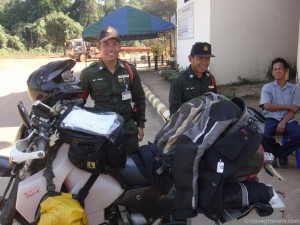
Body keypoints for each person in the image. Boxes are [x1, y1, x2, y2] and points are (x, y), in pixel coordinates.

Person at [79, 26, 146, 154]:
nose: (111, 48)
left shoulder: (129, 70)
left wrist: (140, 124)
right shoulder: (89, 73)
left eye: (115, 44)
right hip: (103, 130)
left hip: (127, 128)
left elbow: (140, 98)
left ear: (120, 46)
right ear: (99, 47)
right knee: (106, 169)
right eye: (106, 44)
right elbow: (79, 102)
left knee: (132, 166)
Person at [259, 57, 300, 167]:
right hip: (271, 118)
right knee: (262, 135)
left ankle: (280, 153)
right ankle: (277, 152)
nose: (277, 71)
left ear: (286, 70)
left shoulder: (294, 89)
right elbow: (267, 106)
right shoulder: (267, 87)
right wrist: (288, 106)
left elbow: (295, 109)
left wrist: (283, 122)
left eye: (280, 69)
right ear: (272, 72)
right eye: (275, 69)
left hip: (288, 119)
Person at [169, 42, 217, 115]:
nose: (204, 62)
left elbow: (215, 100)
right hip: (188, 124)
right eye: (200, 58)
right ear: (190, 58)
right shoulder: (179, 81)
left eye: (207, 59)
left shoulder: (210, 78)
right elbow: (174, 111)